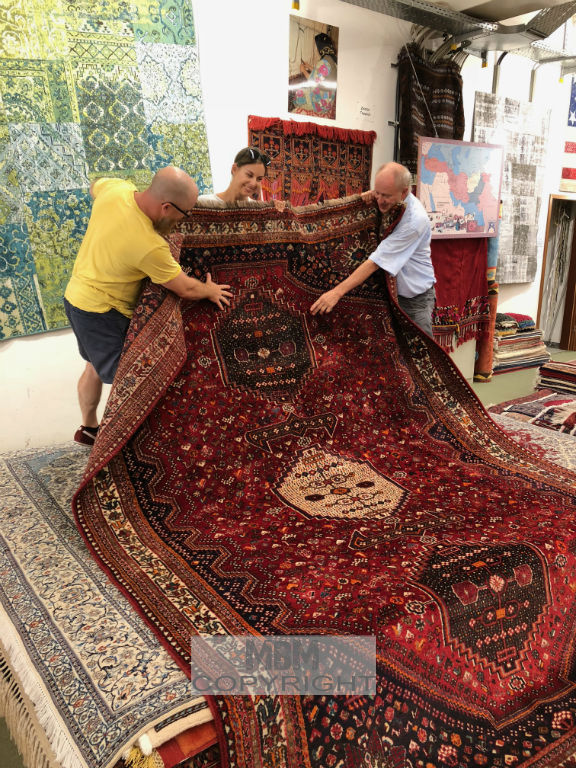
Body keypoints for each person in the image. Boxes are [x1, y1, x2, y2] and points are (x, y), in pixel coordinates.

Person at [64, 165, 233, 446]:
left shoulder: (116, 191)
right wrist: (210, 290)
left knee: (92, 366)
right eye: (183, 214)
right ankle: (118, 447)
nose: (182, 221)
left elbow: (96, 185)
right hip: (103, 311)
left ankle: (88, 428)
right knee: (129, 383)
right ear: (166, 207)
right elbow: (185, 288)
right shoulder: (149, 245)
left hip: (75, 299)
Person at [310, 161, 436, 335]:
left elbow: (376, 262)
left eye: (386, 195)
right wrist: (372, 197)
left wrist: (336, 293)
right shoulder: (394, 202)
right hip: (390, 295)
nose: (380, 200)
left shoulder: (414, 222)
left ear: (404, 192)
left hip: (414, 299)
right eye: (378, 192)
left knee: (419, 348)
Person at [197, 147, 272, 206]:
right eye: (249, 175)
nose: (253, 183)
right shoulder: (203, 203)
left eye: (259, 179)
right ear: (234, 169)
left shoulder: (257, 211)